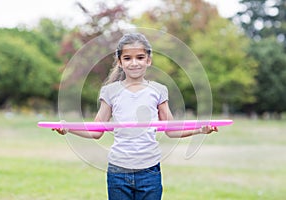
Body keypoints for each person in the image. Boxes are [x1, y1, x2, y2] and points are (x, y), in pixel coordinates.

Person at [53, 32, 218, 200]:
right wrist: (68, 128)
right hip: (118, 171)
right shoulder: (110, 91)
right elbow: (96, 131)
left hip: (149, 171)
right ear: (120, 62)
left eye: (140, 57)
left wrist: (200, 130)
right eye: (127, 58)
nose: (134, 63)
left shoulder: (158, 90)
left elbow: (171, 130)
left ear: (148, 60)